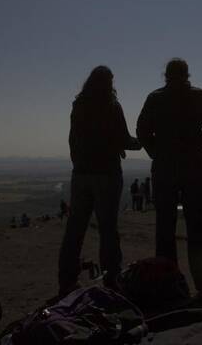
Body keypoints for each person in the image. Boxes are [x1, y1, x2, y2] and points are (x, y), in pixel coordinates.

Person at [136, 58, 202, 304]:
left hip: (164, 169)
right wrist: (200, 142)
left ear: (166, 75)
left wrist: (156, 151)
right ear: (187, 74)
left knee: (165, 228)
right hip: (194, 167)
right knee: (197, 227)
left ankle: (167, 286)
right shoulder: (198, 96)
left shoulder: (155, 98)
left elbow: (142, 130)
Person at [57, 66, 140, 297]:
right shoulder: (112, 106)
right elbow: (123, 139)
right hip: (107, 174)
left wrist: (78, 163)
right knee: (108, 229)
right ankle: (112, 279)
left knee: (75, 228)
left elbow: (73, 139)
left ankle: (66, 279)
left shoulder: (79, 105)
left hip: (82, 174)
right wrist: (141, 141)